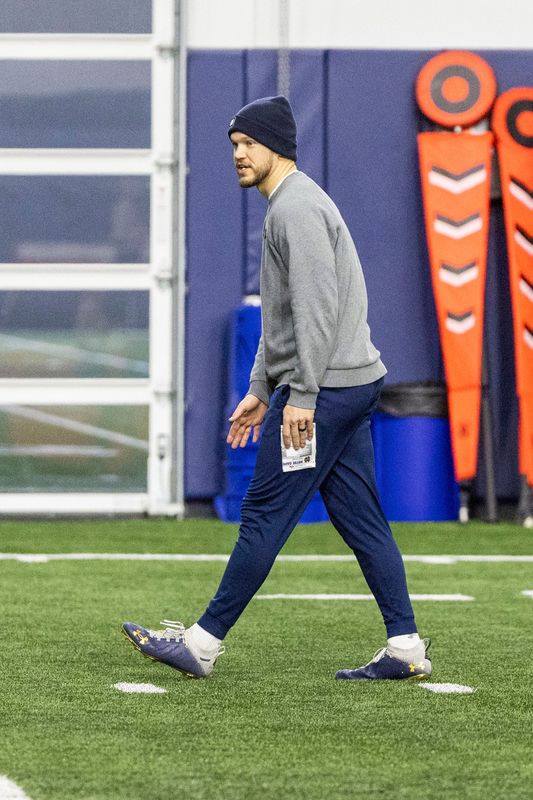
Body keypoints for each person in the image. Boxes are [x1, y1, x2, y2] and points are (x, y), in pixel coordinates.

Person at [122, 95, 432, 681]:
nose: (238, 155)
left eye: (247, 145)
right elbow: (282, 316)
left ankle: (202, 645)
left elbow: (314, 312)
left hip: (328, 391)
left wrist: (303, 399)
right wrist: (263, 389)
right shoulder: (288, 204)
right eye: (233, 146)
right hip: (345, 384)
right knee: (361, 518)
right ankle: (407, 649)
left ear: (277, 148)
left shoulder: (295, 210)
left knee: (264, 512)